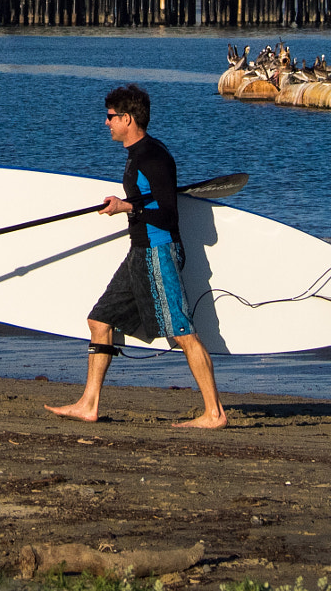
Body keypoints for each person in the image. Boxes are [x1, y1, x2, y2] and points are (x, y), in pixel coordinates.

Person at [45, 83, 227, 429]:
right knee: (99, 320)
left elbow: (169, 215)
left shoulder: (153, 157)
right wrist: (130, 205)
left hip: (158, 250)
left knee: (183, 332)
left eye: (111, 117)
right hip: (139, 251)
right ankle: (89, 404)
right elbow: (151, 201)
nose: (106, 122)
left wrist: (126, 207)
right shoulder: (137, 153)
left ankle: (214, 413)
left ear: (128, 118)